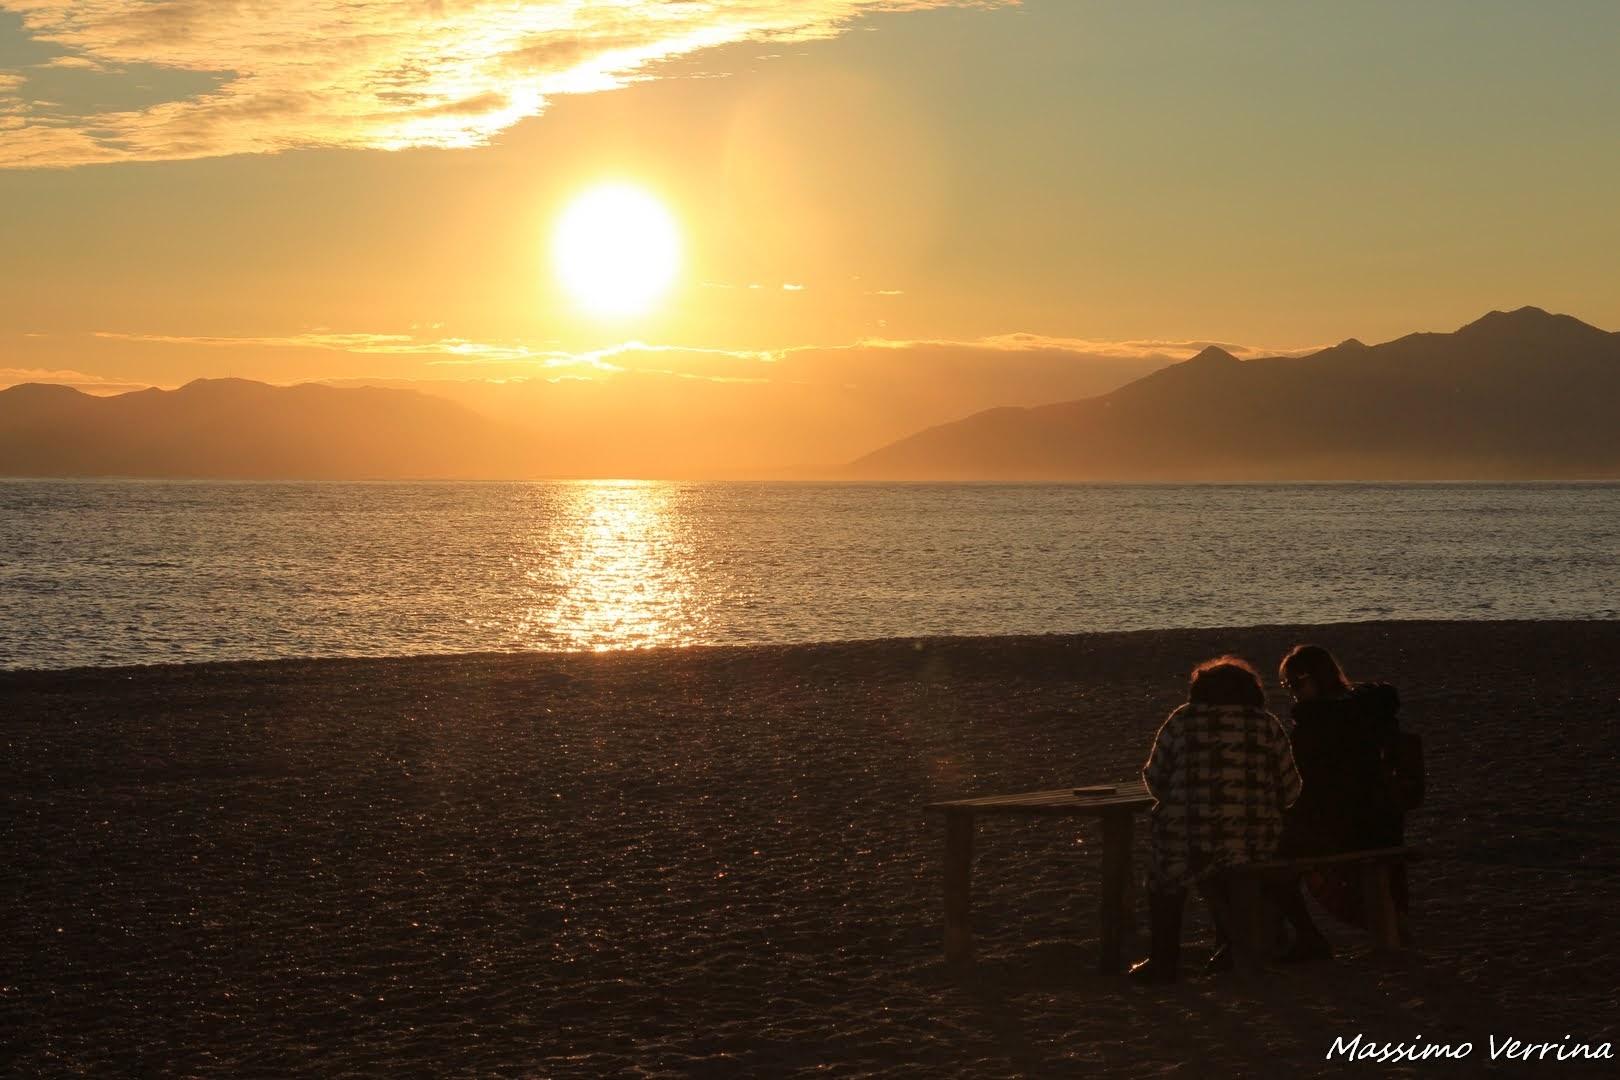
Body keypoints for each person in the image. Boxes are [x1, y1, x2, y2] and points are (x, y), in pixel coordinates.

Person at [1129, 656, 1302, 983]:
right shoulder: (1266, 724)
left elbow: (1155, 779)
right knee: (1239, 869)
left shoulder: (1182, 720)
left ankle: (1164, 958)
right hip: (1254, 840)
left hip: (1188, 839)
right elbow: (1291, 788)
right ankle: (1227, 947)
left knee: (1165, 879)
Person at [1277, 644, 1408, 932]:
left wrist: (1289, 814)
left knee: (1274, 860)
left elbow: (1320, 789)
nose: (1291, 692)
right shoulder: (1372, 711)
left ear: (1316, 679)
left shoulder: (1314, 725)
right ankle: (1393, 926)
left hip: (1347, 826)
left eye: (1295, 684)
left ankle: (1304, 936)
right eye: (1287, 685)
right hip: (1385, 822)